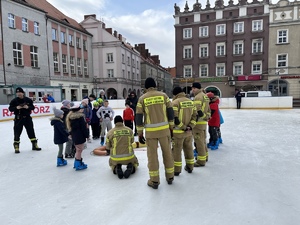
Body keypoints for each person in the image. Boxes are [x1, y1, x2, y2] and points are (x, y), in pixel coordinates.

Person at [136, 77, 174, 189]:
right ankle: (170, 176)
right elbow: (170, 112)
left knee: (152, 156)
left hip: (151, 133)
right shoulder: (164, 96)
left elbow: (139, 117)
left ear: (146, 87)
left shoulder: (142, 99)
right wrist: (171, 127)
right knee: (167, 153)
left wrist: (139, 133)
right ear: (155, 85)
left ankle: (154, 180)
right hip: (164, 131)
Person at [171, 87, 197, 176]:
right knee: (189, 149)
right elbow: (195, 117)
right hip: (189, 132)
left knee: (176, 151)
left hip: (178, 133)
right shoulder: (191, 102)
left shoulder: (174, 103)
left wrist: (184, 127)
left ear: (175, 94)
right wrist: (190, 126)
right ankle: (190, 166)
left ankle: (177, 170)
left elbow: (175, 119)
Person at [9, 87, 41, 153]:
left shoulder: (28, 100)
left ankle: (34, 145)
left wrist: (28, 107)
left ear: (23, 93)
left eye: (20, 92)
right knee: (17, 133)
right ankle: (16, 147)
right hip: (18, 118)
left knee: (31, 131)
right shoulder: (14, 101)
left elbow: (33, 107)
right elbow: (10, 108)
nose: (19, 94)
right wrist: (16, 107)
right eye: (17, 92)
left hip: (27, 118)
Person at [191, 82, 210, 167]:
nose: (193, 90)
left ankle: (201, 160)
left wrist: (194, 119)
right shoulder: (205, 96)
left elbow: (197, 110)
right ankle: (205, 156)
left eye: (194, 88)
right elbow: (209, 109)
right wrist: (207, 117)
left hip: (198, 122)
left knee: (199, 141)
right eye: (192, 88)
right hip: (204, 122)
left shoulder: (198, 97)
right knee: (203, 140)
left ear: (198, 88)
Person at [66, 105, 89, 170]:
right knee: (79, 150)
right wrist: (87, 135)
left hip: (75, 136)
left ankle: (78, 162)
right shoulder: (80, 118)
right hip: (80, 136)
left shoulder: (70, 117)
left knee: (78, 149)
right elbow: (83, 128)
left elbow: (70, 128)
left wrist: (70, 134)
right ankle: (78, 164)